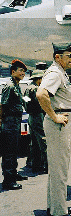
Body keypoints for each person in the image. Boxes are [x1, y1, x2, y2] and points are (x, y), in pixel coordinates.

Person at [36, 40, 71, 216]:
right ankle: (58, 213)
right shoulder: (55, 73)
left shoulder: (60, 71)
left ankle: (55, 206)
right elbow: (41, 94)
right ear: (58, 57)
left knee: (57, 168)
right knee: (60, 169)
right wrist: (54, 116)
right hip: (58, 125)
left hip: (61, 124)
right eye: (69, 55)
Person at [0, 59, 28, 190]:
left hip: (16, 122)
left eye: (24, 71)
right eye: (21, 70)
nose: (23, 73)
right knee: (9, 152)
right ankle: (8, 180)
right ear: (13, 72)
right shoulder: (9, 86)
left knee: (14, 149)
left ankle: (13, 174)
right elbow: (2, 105)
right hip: (9, 123)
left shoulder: (16, 85)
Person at [24, 69, 47, 174]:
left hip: (31, 117)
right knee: (43, 141)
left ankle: (35, 165)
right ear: (39, 79)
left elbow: (25, 101)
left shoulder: (28, 88)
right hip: (38, 116)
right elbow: (41, 103)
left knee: (34, 142)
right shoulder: (36, 89)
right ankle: (47, 165)